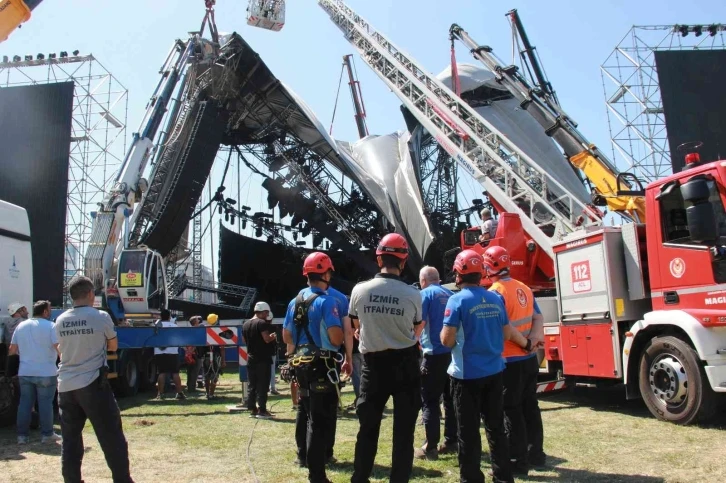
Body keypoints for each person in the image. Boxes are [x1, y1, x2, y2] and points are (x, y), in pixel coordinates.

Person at [440, 250, 531, 483]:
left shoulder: (456, 300)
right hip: (495, 372)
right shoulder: (495, 298)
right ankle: (503, 477)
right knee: (496, 428)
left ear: (459, 273)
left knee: (468, 433)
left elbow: (447, 340)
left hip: (466, 377)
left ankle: (471, 478)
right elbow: (505, 333)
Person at [348, 233, 423, 483]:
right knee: (404, 432)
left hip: (373, 366)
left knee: (367, 428)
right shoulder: (413, 294)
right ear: (403, 262)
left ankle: (360, 478)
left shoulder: (360, 290)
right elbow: (416, 328)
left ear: (378, 257)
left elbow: (354, 324)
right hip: (405, 365)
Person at [55, 276, 133, 483]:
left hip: (65, 385)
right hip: (92, 383)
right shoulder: (101, 316)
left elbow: (59, 350)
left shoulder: (60, 320)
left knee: (70, 440)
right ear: (90, 294)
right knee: (111, 436)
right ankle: (122, 479)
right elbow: (113, 346)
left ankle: (72, 480)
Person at [283, 252, 345, 483]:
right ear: (326, 273)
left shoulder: (295, 301)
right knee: (320, 422)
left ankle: (303, 457)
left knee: (305, 411)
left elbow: (287, 335)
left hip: (301, 364)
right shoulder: (328, 302)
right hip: (323, 365)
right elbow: (336, 338)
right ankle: (317, 475)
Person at [484, 246, 546, 474]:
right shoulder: (524, 288)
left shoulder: (496, 292)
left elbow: (506, 329)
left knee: (511, 410)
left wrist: (524, 343)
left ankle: (516, 461)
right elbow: (538, 317)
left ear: (489, 266)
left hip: (510, 360)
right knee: (530, 406)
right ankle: (536, 454)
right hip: (529, 360)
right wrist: (532, 341)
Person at [414, 266, 457, 461]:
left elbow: (419, 323)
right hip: (452, 354)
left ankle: (430, 446)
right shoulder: (451, 293)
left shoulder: (425, 295)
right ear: (438, 279)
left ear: (423, 281)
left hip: (432, 355)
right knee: (450, 399)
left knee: (430, 401)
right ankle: (451, 441)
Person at [9, 300, 61, 444]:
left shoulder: (21, 326)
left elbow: (12, 350)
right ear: (45, 312)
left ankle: (22, 436)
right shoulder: (51, 326)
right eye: (49, 309)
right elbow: (58, 347)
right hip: (46, 372)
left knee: (25, 403)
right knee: (45, 404)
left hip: (25, 371)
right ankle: (47, 434)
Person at [243, 302, 276, 417]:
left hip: (250, 358)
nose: (267, 315)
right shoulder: (261, 323)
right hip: (263, 358)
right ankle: (262, 410)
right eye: (266, 313)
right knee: (263, 384)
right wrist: (274, 336)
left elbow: (244, 340)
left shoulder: (246, 324)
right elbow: (266, 339)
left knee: (252, 384)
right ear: (263, 311)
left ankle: (252, 409)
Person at [154, 309, 185, 400]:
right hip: (173, 352)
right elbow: (179, 339)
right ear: (169, 316)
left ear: (161, 316)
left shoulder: (156, 326)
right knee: (175, 373)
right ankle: (179, 393)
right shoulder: (175, 326)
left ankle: (160, 394)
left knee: (162, 373)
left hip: (159, 353)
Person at [202, 313, 226, 400]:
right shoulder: (220, 332)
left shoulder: (205, 330)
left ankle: (207, 393)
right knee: (215, 375)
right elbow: (222, 348)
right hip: (216, 356)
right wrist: (223, 360)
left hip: (206, 356)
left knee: (207, 376)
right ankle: (211, 395)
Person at [2, 302, 29, 377]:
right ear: (19, 311)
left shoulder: (5, 323)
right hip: (24, 360)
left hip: (10, 359)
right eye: (25, 310)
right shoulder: (25, 323)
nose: (28, 312)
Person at [184, 316, 205, 393]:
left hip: (189, 353)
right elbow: (197, 341)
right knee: (195, 371)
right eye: (197, 319)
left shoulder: (189, 330)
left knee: (189, 370)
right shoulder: (196, 330)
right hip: (195, 353)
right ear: (195, 322)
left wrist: (187, 350)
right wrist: (192, 349)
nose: (199, 320)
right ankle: (192, 388)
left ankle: (189, 385)